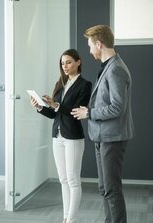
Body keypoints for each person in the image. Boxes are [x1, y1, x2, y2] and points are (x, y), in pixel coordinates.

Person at [71, 25, 134, 223]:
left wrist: (89, 112)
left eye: (91, 46)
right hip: (102, 136)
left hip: (112, 138)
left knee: (112, 190)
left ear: (99, 44)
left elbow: (117, 108)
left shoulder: (116, 69)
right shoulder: (109, 66)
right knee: (104, 188)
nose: (90, 51)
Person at [30, 49, 92, 223]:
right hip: (57, 136)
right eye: (63, 63)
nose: (65, 66)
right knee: (63, 180)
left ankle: (70, 220)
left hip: (73, 136)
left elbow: (75, 112)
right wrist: (40, 107)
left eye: (69, 62)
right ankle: (65, 217)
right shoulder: (60, 84)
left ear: (78, 62)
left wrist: (56, 104)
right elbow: (54, 114)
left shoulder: (85, 85)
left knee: (73, 181)